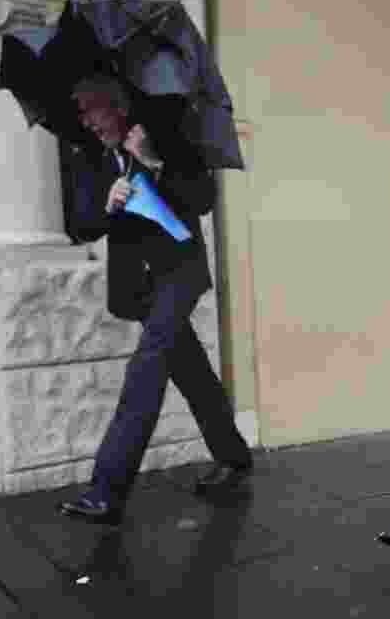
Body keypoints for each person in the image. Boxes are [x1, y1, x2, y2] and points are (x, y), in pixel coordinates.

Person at [57, 75, 253, 526]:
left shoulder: (167, 138)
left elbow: (203, 199)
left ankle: (106, 490)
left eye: (93, 110)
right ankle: (234, 457)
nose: (86, 123)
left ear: (118, 106)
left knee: (146, 367)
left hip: (178, 275)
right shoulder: (92, 157)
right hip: (137, 287)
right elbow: (81, 226)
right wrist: (108, 204)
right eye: (82, 113)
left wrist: (153, 162)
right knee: (192, 372)